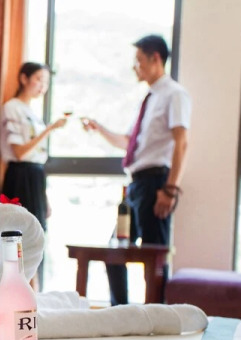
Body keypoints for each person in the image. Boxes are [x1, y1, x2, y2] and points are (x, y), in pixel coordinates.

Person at [82, 35, 191, 305]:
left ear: (156, 59)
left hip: (156, 183)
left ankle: (159, 317)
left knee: (153, 261)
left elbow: (181, 142)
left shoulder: (174, 94)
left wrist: (170, 189)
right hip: (136, 185)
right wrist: (99, 129)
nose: (135, 67)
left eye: (139, 60)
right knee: (115, 253)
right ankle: (122, 313)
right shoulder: (149, 99)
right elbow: (128, 142)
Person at [0, 62, 67, 289]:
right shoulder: (12, 108)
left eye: (45, 82)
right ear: (23, 78)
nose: (42, 86)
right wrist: (49, 129)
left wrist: (44, 197)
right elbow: (19, 151)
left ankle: (33, 289)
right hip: (20, 175)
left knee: (37, 235)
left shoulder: (32, 113)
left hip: (35, 176)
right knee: (19, 235)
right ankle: (18, 290)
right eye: (38, 79)